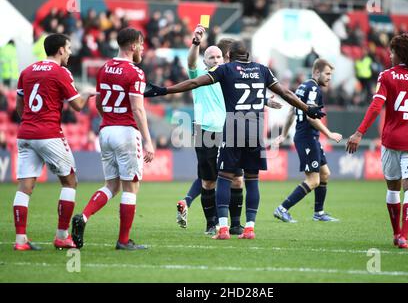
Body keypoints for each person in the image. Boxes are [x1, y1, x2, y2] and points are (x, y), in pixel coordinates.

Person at [146, 41, 325, 240]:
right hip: (256, 129)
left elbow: (194, 82)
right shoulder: (262, 70)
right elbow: (285, 93)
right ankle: (249, 228)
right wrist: (308, 109)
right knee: (251, 180)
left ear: (228, 56)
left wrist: (164, 90)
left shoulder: (226, 70)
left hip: (232, 128)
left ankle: (223, 229)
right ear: (247, 54)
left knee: (223, 177)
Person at [165, 26, 281, 235]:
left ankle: (235, 224)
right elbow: (191, 61)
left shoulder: (228, 74)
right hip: (206, 132)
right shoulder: (200, 73)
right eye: (211, 57)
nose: (216, 60)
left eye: (219, 56)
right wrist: (196, 42)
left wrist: (264, 101)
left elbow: (243, 97)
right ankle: (212, 225)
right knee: (209, 180)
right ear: (205, 61)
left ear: (225, 58)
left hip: (231, 131)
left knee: (236, 179)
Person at [346, 34, 408, 249]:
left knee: (393, 189)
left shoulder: (387, 76)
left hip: (391, 141)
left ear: (400, 53)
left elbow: (375, 107)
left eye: (392, 51)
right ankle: (404, 236)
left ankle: (396, 232)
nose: (389, 55)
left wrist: (359, 132)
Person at [71, 28, 155, 250]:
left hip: (106, 131)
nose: (143, 49)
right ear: (134, 45)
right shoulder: (135, 73)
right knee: (130, 188)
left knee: (111, 185)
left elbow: (98, 101)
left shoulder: (104, 67)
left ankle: (84, 216)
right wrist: (148, 140)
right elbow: (137, 108)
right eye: (142, 45)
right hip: (126, 132)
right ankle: (123, 241)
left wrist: (107, 119)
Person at [13, 33, 92, 251]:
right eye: (68, 48)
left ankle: (20, 241)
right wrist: (86, 93)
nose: (70, 52)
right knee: (70, 181)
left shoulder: (27, 71)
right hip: (48, 134)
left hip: (26, 133)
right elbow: (77, 106)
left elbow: (20, 105)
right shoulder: (61, 72)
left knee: (25, 187)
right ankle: (61, 236)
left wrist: (30, 121)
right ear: (59, 50)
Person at [274, 59, 342, 223]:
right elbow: (310, 117)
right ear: (317, 72)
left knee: (325, 174)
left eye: (331, 75)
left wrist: (284, 134)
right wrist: (329, 133)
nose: (329, 78)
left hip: (308, 137)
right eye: (327, 74)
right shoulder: (313, 89)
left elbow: (292, 110)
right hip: (307, 138)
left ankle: (319, 213)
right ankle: (282, 208)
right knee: (313, 180)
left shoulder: (303, 86)